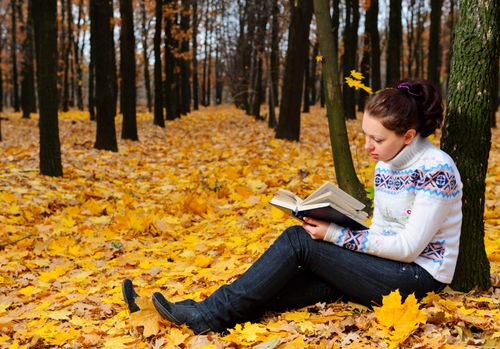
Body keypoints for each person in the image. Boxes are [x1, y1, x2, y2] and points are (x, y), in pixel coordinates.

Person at [122, 78, 463, 334]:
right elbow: (386, 228)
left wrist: (335, 235)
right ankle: (178, 313)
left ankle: (207, 316)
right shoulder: (386, 163)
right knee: (281, 276)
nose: (367, 147)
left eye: (377, 139)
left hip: (417, 278)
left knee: (298, 241)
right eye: (364, 135)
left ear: (408, 135)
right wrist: (338, 222)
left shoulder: (437, 169)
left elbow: (407, 247)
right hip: (382, 266)